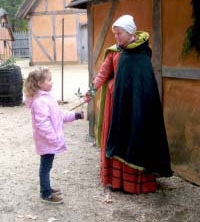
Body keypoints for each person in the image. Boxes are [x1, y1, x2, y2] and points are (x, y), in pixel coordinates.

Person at [85, 14, 172, 194]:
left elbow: (145, 80)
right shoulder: (115, 51)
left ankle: (138, 183)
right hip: (117, 104)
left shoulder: (143, 51)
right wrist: (91, 91)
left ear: (130, 32)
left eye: (119, 33)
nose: (116, 37)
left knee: (138, 137)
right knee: (119, 137)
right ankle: (117, 182)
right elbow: (102, 73)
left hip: (139, 105)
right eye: (115, 33)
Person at [24, 67, 84, 204]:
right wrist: (54, 138)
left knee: (47, 166)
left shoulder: (46, 97)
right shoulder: (40, 101)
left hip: (49, 141)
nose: (52, 82)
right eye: (49, 80)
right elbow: (42, 124)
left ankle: (47, 188)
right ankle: (45, 193)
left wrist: (75, 115)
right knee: (45, 167)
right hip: (47, 142)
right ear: (40, 83)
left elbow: (58, 114)